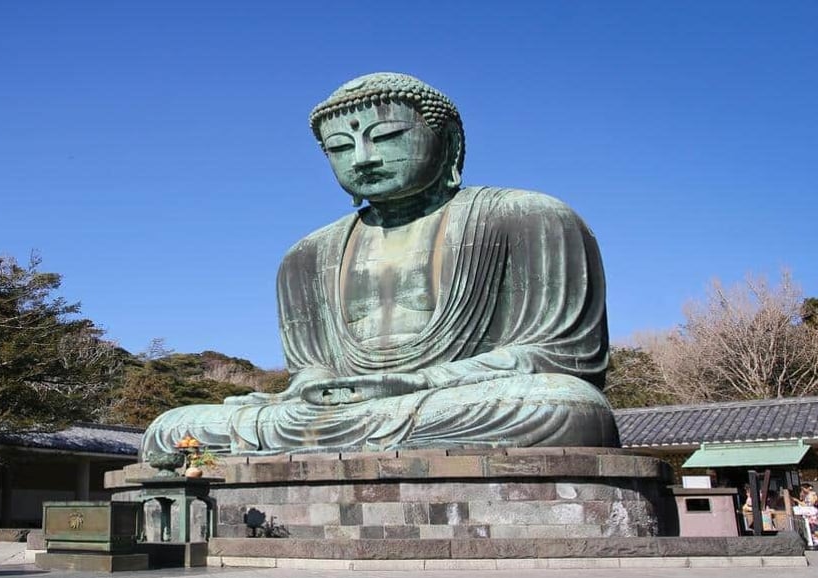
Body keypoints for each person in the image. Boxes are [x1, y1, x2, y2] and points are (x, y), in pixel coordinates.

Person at [141, 72, 616, 458]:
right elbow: (312, 371)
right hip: (347, 411)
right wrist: (314, 390)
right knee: (171, 428)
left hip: (455, 396)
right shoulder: (306, 256)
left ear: (447, 140)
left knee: (565, 405)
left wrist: (419, 381)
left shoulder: (528, 216)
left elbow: (563, 357)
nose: (363, 160)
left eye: (386, 136)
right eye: (341, 149)